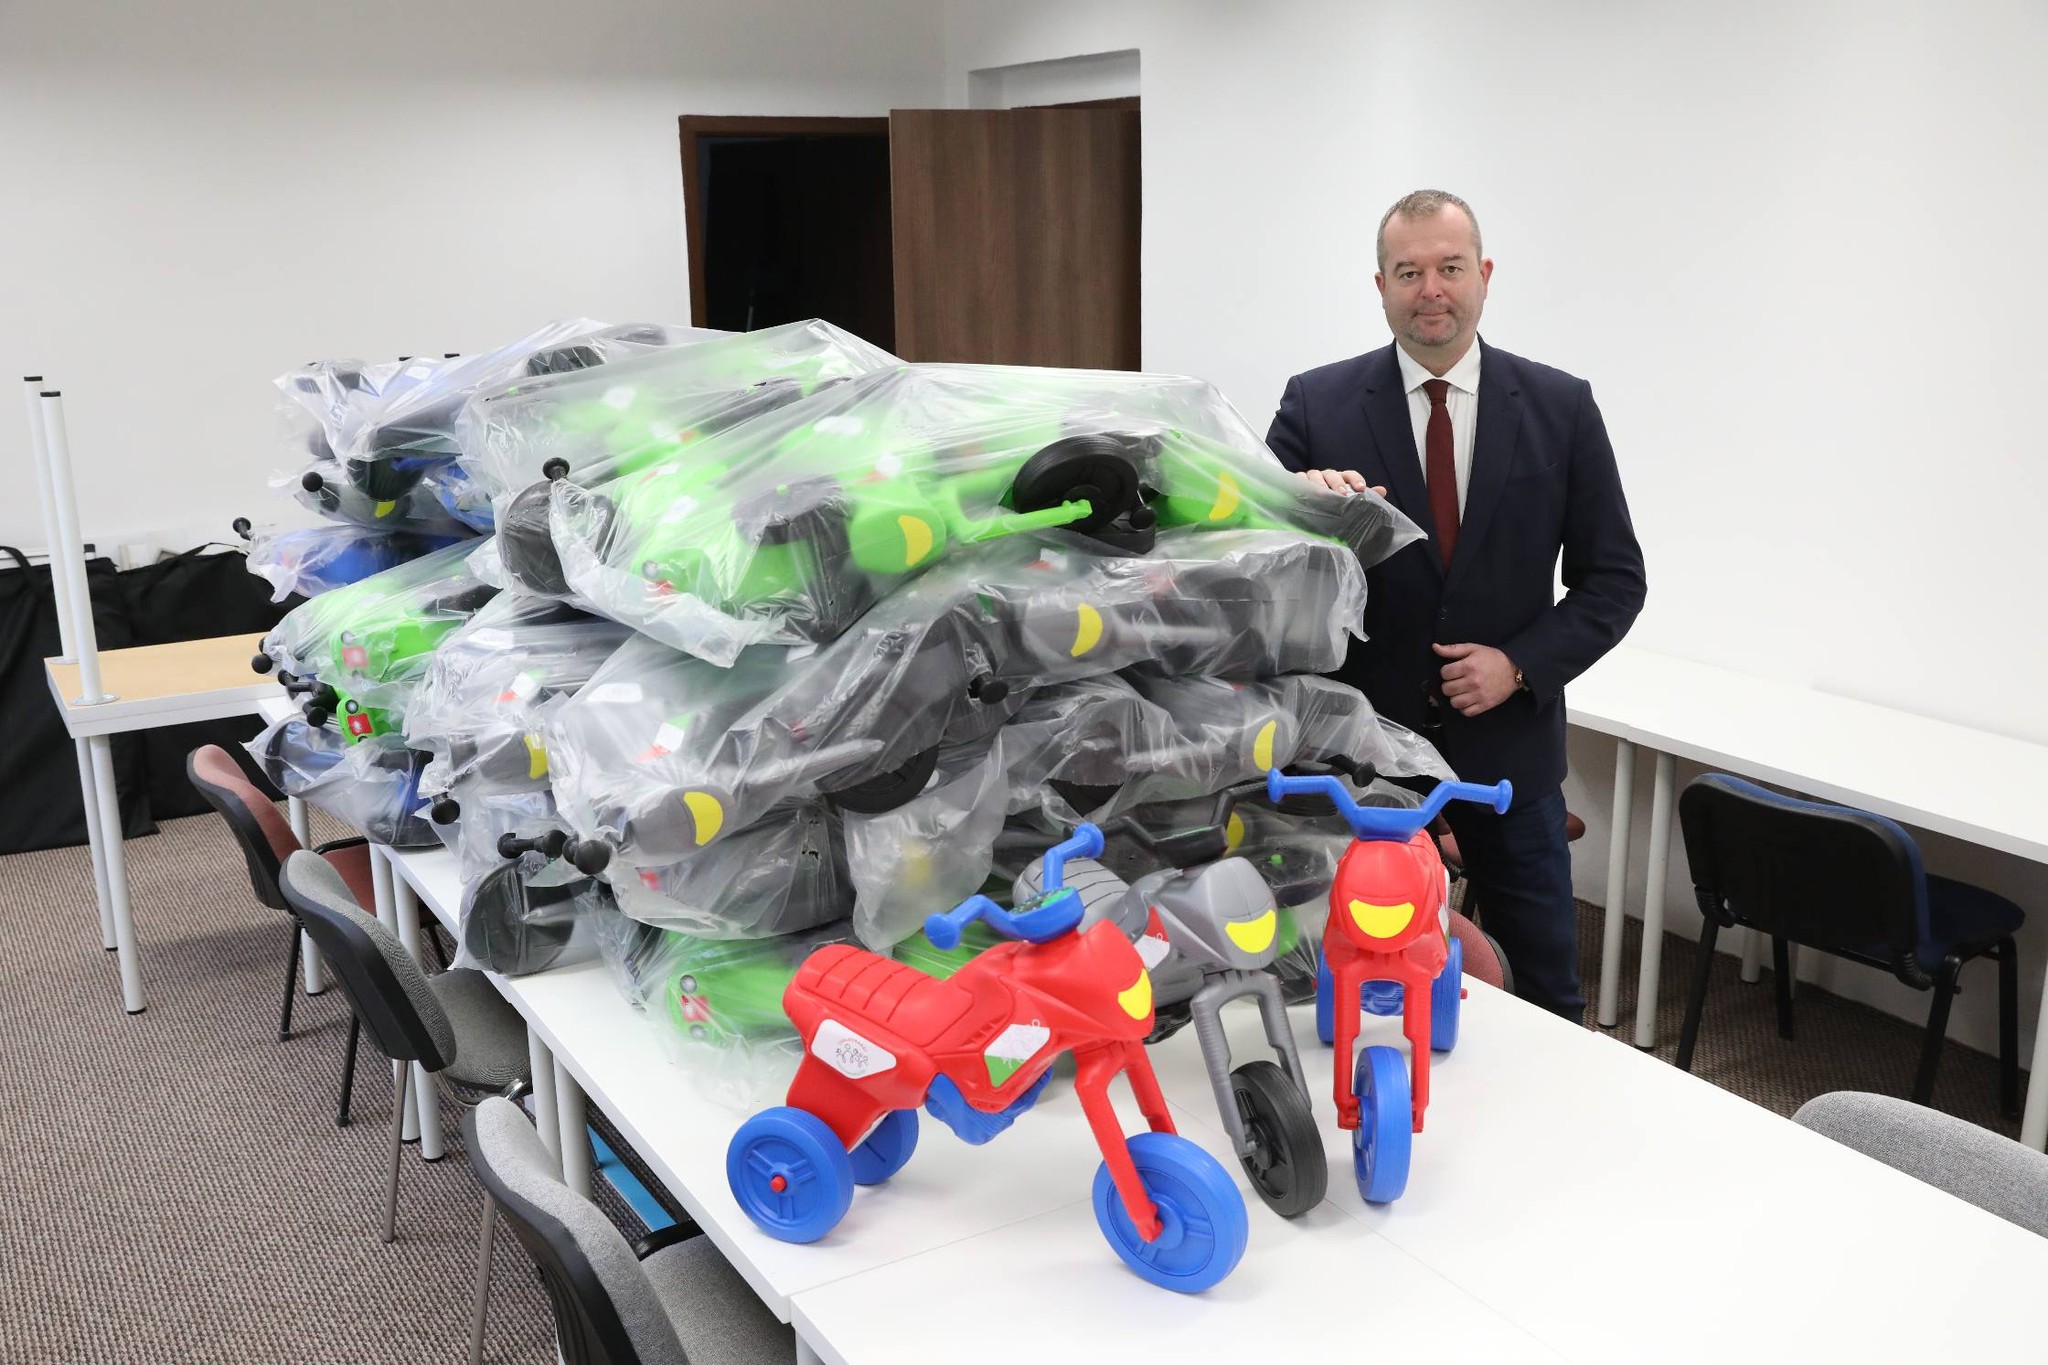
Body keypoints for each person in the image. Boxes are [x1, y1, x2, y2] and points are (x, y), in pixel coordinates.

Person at [1265, 189, 1647, 1022]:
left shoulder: (1560, 407)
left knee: (1545, 992)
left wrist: (1520, 664)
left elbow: (1616, 579)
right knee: (1349, 974)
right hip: (1358, 757)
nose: (1431, 289)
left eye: (1449, 267)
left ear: (1484, 274)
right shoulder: (1316, 404)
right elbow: (1250, 566)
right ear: (1381, 286)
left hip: (1509, 754)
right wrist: (1294, 503)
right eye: (1409, 272)